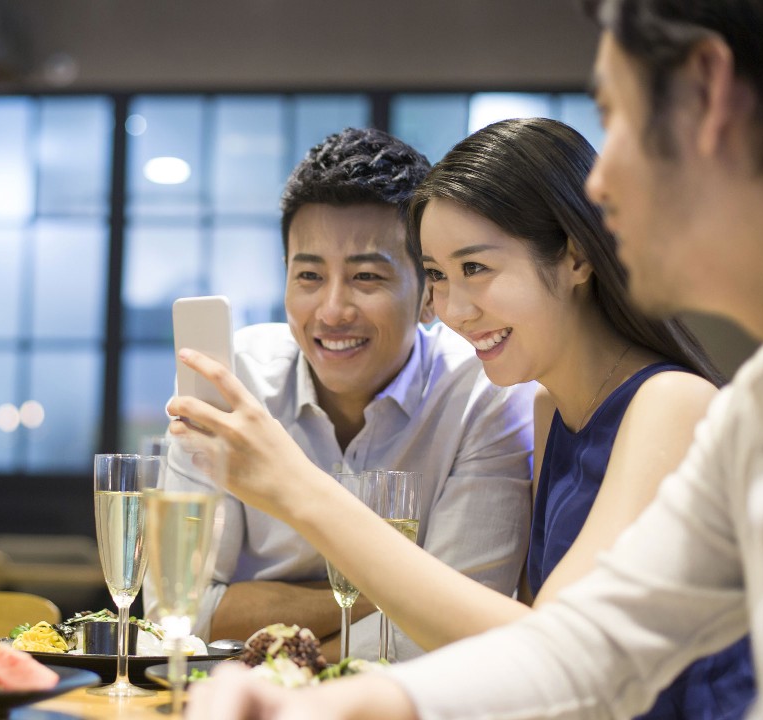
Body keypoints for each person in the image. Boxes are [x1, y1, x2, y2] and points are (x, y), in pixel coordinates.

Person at [183, 0, 763, 716]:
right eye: (439, 274)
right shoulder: (753, 400)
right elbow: (584, 651)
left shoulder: (682, 403)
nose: (599, 182)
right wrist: (337, 705)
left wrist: (296, 491)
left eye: (614, 117)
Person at [146, 127, 537, 660]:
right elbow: (180, 614)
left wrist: (272, 637)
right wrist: (399, 591)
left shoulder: (484, 397)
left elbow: (458, 635)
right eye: (308, 275)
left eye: (367, 277)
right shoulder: (233, 382)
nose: (331, 311)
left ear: (429, 295)